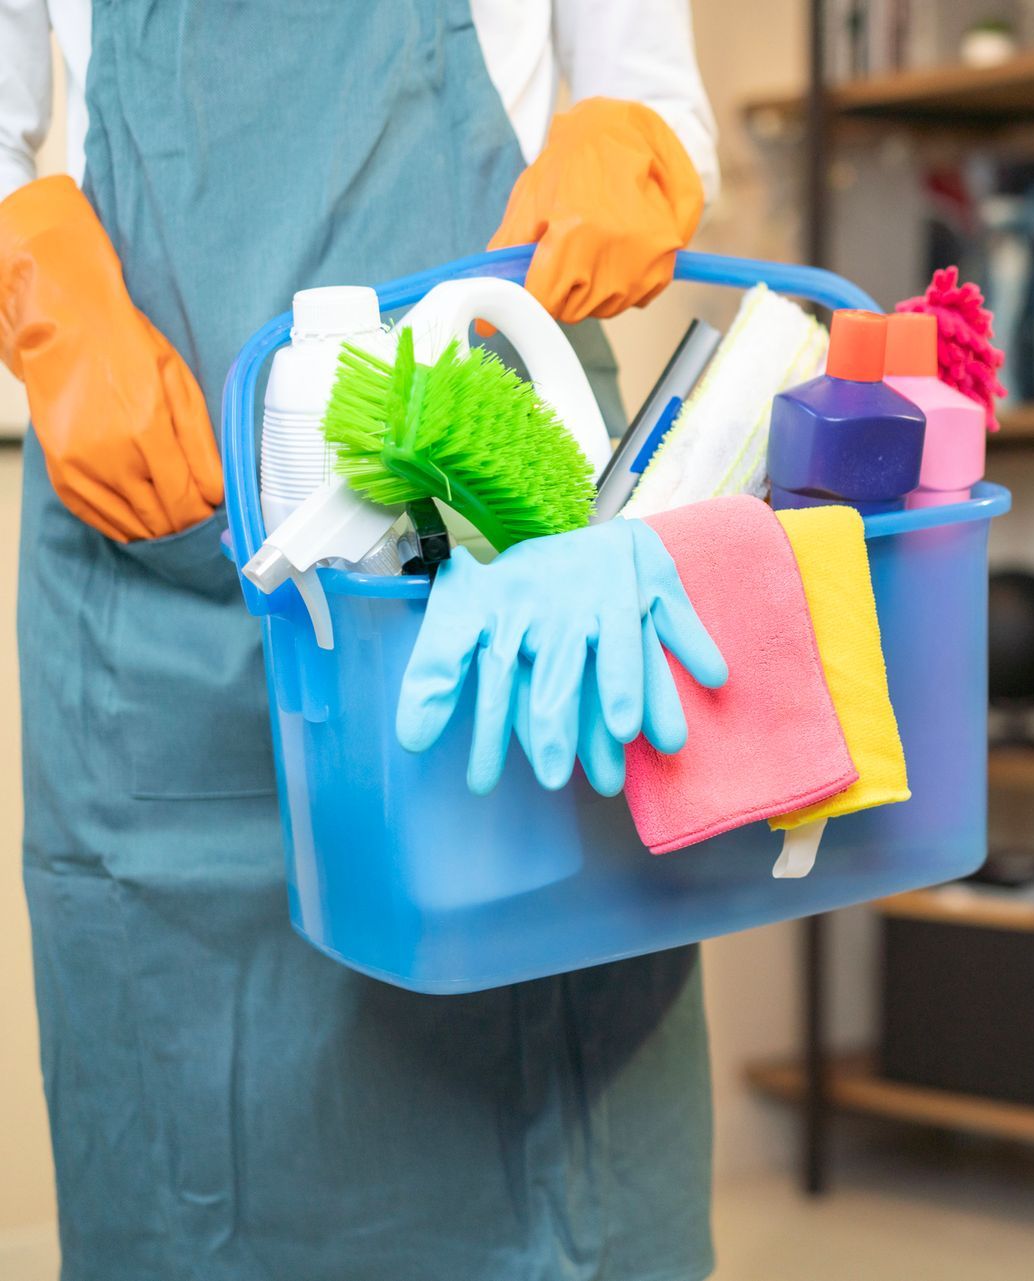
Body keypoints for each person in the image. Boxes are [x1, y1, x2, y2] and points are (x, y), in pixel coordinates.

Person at [0, 3, 722, 1278]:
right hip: (171, 555)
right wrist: (36, 279)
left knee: (544, 1058)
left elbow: (654, 90)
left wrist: (635, 151)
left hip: (497, 547)